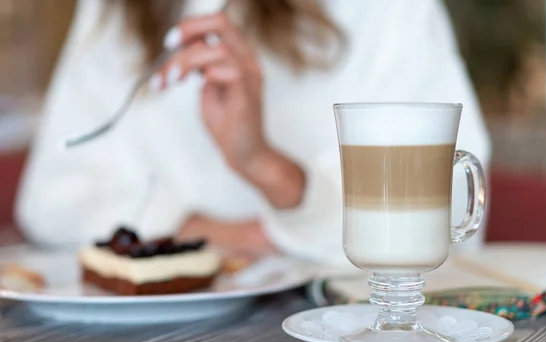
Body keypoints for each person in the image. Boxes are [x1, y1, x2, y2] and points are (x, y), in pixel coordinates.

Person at [16, 0, 490, 265]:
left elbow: (449, 212)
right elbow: (49, 202)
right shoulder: (114, 11)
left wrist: (264, 166)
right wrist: (210, 234)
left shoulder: (383, 13)